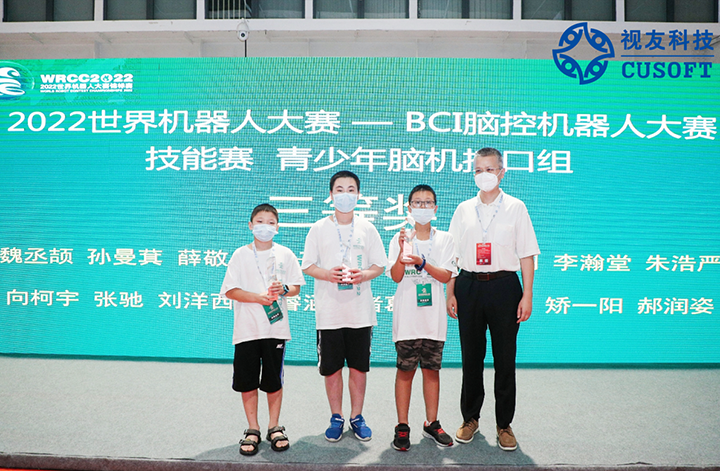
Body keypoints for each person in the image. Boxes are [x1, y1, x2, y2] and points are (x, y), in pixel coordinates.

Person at [446, 147, 540, 452]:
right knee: (471, 358)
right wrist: (450, 292)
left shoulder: (516, 207)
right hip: (469, 286)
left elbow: (527, 254)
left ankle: (504, 425)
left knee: (505, 359)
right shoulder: (463, 209)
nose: (483, 175)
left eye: (489, 169)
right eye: (478, 170)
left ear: (502, 172)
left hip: (504, 287)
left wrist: (527, 294)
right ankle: (470, 418)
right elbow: (452, 256)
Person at [302, 170, 387, 442]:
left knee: (359, 368)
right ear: (331, 195)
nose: (345, 195)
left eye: (351, 190)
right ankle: (336, 417)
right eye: (339, 190)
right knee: (332, 369)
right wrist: (327, 274)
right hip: (329, 313)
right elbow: (307, 265)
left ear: (358, 195)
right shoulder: (318, 228)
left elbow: (380, 265)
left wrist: (364, 274)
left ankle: (357, 416)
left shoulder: (367, 228)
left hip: (360, 313)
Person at [220, 203, 305, 456]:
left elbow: (296, 287)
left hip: (275, 329)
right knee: (247, 381)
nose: (265, 227)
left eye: (270, 222)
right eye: (259, 221)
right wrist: (258, 298)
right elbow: (230, 291)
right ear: (250, 225)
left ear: (277, 227)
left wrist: (285, 289)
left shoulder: (286, 254)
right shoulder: (240, 255)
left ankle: (274, 426)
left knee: (273, 380)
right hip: (246, 329)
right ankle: (253, 428)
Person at [386, 184, 457, 451]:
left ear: (435, 208)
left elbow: (446, 276)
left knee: (431, 371)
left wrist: (422, 262)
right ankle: (402, 426)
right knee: (405, 372)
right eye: (417, 202)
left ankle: (432, 423)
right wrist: (402, 250)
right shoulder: (401, 238)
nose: (423, 207)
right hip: (407, 319)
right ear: (409, 208)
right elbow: (396, 276)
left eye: (428, 203)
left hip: (433, 320)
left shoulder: (445, 239)